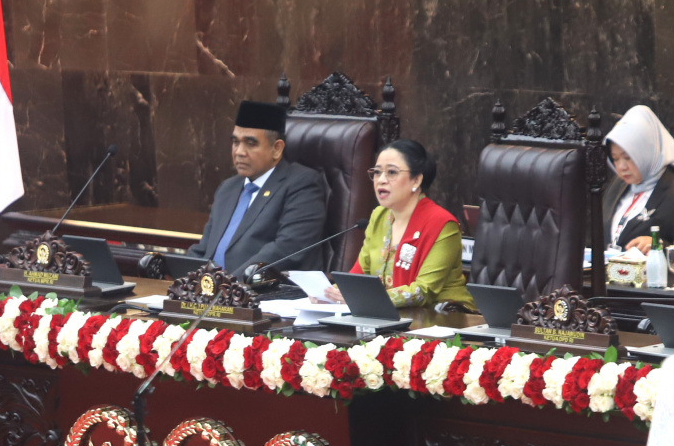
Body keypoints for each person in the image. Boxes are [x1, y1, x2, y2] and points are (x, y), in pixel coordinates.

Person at [323, 140, 475, 309]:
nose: (381, 180)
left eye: (391, 172)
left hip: (442, 316)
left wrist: (364, 298)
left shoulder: (442, 224)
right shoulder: (379, 216)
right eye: (377, 172)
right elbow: (359, 275)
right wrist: (327, 294)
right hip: (384, 313)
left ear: (416, 180)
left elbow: (423, 291)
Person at [188, 101, 326, 279]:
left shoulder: (302, 184)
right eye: (235, 142)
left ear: (276, 149)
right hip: (211, 289)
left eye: (250, 143)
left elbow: (286, 249)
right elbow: (203, 250)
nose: (239, 152)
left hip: (259, 290)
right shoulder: (228, 188)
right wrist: (186, 278)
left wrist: (227, 284)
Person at [602, 105, 674, 263]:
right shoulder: (618, 186)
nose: (621, 167)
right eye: (615, 159)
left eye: (628, 157)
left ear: (646, 151)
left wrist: (659, 247)